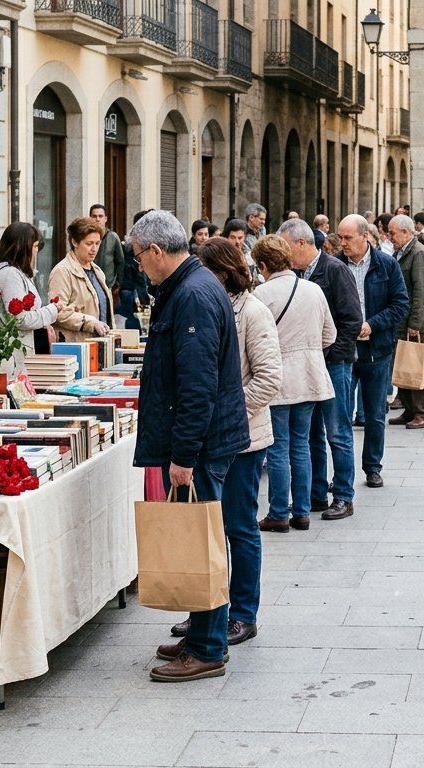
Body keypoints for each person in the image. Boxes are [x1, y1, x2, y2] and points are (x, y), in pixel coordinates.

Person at [131, 210, 250, 683]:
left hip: (201, 444)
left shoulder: (193, 294)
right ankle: (202, 632)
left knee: (203, 539)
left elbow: (197, 386)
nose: (140, 266)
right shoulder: (192, 286)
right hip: (204, 439)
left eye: (140, 257)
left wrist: (183, 456)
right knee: (203, 535)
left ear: (157, 251)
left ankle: (207, 647)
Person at [168, 236, 281, 645]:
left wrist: (228, 414)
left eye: (209, 270)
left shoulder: (253, 311)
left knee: (239, 526)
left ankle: (242, 612)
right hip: (211, 439)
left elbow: (269, 377)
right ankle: (207, 612)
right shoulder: (207, 303)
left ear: (225, 272)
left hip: (245, 439)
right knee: (207, 529)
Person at [278, 218, 363, 521]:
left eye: (286, 247)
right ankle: (315, 493)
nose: (284, 254)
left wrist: (332, 357)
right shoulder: (297, 273)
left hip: (334, 364)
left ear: (301, 243)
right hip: (308, 365)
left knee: (337, 431)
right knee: (312, 432)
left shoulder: (335, 270)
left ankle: (343, 495)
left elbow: (352, 319)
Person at [253, 235, 335, 532]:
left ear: (263, 264)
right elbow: (330, 334)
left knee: (278, 448)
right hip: (310, 375)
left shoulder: (261, 294)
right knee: (301, 444)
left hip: (277, 378)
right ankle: (301, 511)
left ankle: (278, 512)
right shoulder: (313, 290)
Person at [337, 214, 409, 489]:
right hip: (343, 349)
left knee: (375, 412)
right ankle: (343, 473)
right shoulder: (336, 265)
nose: (342, 243)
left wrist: (372, 325)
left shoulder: (386, 265)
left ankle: (372, 467)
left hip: (377, 349)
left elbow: (400, 304)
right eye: (340, 238)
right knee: (341, 413)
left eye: (348, 238)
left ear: (364, 236)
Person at [0, 222, 59, 376]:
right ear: (23, 247)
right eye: (34, 246)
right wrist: (52, 311)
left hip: (17, 352)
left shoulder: (11, 271)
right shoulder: (10, 274)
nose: (36, 252)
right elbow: (20, 319)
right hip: (14, 355)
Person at [387, 214, 424, 430]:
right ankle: (409, 409)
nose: (389, 237)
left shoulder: (418, 254)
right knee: (404, 365)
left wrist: (415, 324)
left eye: (392, 233)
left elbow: (422, 291)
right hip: (403, 320)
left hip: (415, 322)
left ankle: (423, 413)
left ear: (406, 232)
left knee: (417, 366)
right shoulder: (403, 252)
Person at [49, 217, 113, 342]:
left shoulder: (98, 271)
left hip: (100, 344)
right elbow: (58, 313)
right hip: (76, 346)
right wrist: (91, 322)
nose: (94, 249)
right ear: (75, 242)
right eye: (89, 244)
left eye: (97, 243)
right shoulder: (62, 271)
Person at [89, 204, 127, 298]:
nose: (97, 219)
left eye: (100, 216)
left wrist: (118, 284)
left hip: (108, 286)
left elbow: (120, 261)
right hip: (89, 285)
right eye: (94, 216)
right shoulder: (85, 238)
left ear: (105, 218)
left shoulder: (113, 237)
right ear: (90, 218)